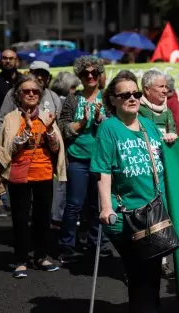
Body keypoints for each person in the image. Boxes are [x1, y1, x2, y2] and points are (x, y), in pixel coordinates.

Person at [94, 71, 177, 313]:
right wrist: (106, 207)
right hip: (126, 212)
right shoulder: (109, 127)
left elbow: (162, 158)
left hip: (154, 208)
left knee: (153, 267)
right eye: (125, 95)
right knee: (137, 269)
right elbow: (103, 170)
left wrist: (169, 142)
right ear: (113, 100)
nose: (132, 98)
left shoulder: (147, 125)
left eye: (136, 94)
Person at [0, 75, 65, 278]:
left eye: (35, 91)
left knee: (43, 217)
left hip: (43, 172)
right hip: (19, 173)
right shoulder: (11, 118)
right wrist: (26, 130)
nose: (31, 94)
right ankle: (20, 260)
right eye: (26, 91)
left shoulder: (47, 116)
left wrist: (50, 132)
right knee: (20, 218)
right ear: (18, 95)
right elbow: (7, 149)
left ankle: (41, 256)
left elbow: (55, 148)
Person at [57, 56, 112, 263]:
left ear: (100, 75)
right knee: (74, 205)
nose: (90, 76)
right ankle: (67, 247)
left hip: (101, 160)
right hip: (78, 159)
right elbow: (63, 126)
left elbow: (115, 127)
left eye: (94, 73)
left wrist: (100, 120)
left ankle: (97, 245)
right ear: (79, 76)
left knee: (98, 206)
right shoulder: (73, 99)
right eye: (85, 73)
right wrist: (80, 124)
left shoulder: (107, 99)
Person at [49, 71, 81, 229]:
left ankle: (57, 216)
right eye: (73, 87)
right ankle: (58, 216)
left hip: (63, 144)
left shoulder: (56, 98)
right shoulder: (63, 101)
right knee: (63, 182)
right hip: (63, 145)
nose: (75, 90)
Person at [0, 61, 61, 132]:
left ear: (48, 78)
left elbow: (59, 124)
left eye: (44, 74)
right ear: (29, 74)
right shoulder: (14, 92)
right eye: (36, 73)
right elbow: (2, 121)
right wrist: (7, 140)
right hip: (17, 140)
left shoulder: (53, 97)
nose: (40, 77)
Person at [139, 70, 176, 135]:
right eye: (161, 86)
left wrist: (172, 136)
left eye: (165, 87)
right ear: (147, 89)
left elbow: (173, 134)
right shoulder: (137, 110)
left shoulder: (167, 112)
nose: (165, 90)